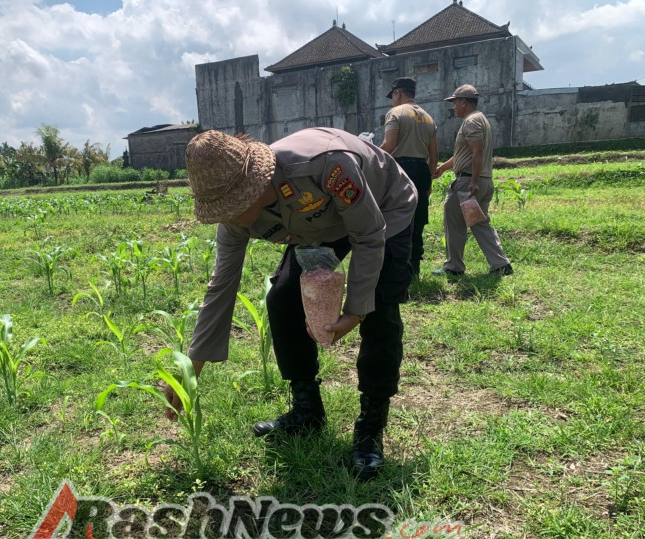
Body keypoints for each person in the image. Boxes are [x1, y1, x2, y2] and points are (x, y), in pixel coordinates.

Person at [162, 127, 417, 480]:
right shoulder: (233, 221)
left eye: (233, 205)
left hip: (383, 209)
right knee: (282, 298)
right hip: (318, 228)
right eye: (221, 209)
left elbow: (368, 235)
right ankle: (306, 410)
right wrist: (191, 368)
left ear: (256, 183)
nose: (229, 216)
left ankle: (371, 427)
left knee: (380, 309)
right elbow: (221, 287)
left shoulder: (326, 166)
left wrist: (355, 311)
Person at [432, 84, 513, 276]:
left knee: (453, 221)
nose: (454, 107)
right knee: (479, 223)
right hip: (483, 181)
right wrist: (443, 168)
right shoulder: (480, 119)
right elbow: (465, 153)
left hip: (468, 183)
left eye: (455, 103)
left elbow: (477, 152)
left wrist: (473, 182)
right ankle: (501, 264)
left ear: (463, 102)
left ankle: (454, 267)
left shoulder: (471, 121)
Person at [379, 77, 438, 276]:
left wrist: (370, 157)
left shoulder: (395, 113)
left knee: (397, 217)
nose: (392, 100)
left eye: (393, 96)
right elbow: (434, 155)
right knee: (418, 219)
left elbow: (389, 145)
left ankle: (397, 266)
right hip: (422, 170)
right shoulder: (428, 118)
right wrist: (429, 181)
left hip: (401, 169)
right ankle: (415, 267)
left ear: (398, 93)